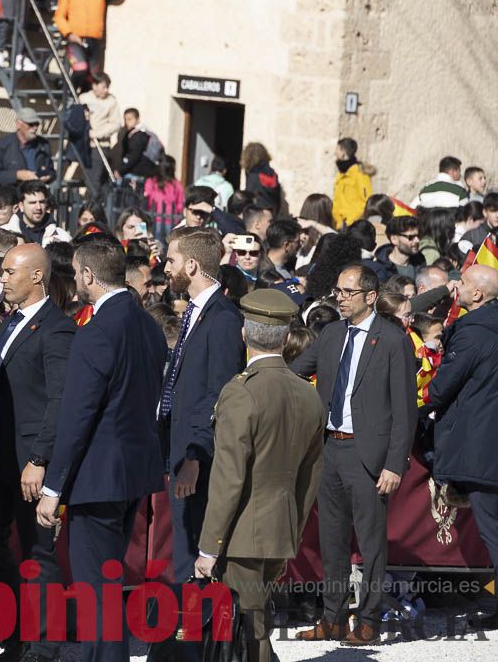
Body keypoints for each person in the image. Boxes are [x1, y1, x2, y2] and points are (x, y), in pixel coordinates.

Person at [35, 235, 167, 662]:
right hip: (132, 471)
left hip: (97, 476)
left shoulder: (95, 333)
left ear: (89, 276)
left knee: (97, 589)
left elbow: (77, 417)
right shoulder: (149, 325)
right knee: (106, 583)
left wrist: (53, 488)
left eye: (77, 273)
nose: (76, 280)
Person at [194, 289, 325, 662]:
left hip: (241, 535)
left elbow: (229, 478)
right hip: (279, 529)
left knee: (248, 632)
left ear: (244, 334)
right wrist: (293, 530)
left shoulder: (241, 392)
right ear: (286, 338)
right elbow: (310, 477)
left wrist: (209, 546)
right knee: (254, 622)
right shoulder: (308, 394)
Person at [291, 264, 416, 644]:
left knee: (371, 543)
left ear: (370, 296)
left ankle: (369, 620)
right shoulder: (331, 334)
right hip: (329, 448)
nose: (340, 298)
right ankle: (332, 617)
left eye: (348, 292)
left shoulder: (393, 340)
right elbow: (295, 372)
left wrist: (394, 464)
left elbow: (405, 409)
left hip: (369, 456)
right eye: (338, 291)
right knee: (332, 541)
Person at [0, 244, 74, 662]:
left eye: (10, 271)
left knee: (38, 551)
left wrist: (40, 459)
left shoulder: (58, 328)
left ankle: (45, 646)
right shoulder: (9, 322)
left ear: (36, 276)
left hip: (29, 461)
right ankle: (13, 631)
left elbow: (59, 399)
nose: (3, 278)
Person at [159, 227, 245, 582]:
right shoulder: (196, 310)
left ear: (192, 265)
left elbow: (219, 393)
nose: (166, 268)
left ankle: (197, 615)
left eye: (171, 261)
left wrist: (195, 455)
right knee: (184, 549)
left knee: (196, 554)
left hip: (200, 458)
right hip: (180, 446)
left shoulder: (223, 318)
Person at [422, 264, 498, 630]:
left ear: (478, 295)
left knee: (493, 531)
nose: (457, 285)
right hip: (489, 440)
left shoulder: (472, 334)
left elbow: (440, 389)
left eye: (464, 282)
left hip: (481, 448)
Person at [54, 0, 122, 89]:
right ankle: (69, 93)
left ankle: (82, 99)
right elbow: (59, 16)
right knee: (80, 68)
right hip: (75, 39)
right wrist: (69, 33)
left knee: (92, 77)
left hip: (95, 41)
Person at [0, 107, 55, 186]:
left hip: (35, 191)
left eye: (37, 124)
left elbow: (51, 172)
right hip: (11, 192)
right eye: (31, 124)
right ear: (18, 124)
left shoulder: (43, 144)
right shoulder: (3, 145)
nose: (35, 128)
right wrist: (17, 175)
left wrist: (48, 177)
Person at [2, 181, 69, 245]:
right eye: (33, 203)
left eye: (42, 202)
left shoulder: (62, 237)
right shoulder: (3, 235)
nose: (38, 207)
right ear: (21, 206)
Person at [332, 138, 373, 228]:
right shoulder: (341, 173)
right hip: (339, 225)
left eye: (337, 149)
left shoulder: (360, 174)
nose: (335, 152)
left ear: (343, 151)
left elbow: (366, 200)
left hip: (351, 225)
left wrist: (350, 221)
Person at [143, 154, 183, 239]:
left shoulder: (151, 181)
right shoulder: (176, 184)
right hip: (171, 220)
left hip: (155, 219)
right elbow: (180, 204)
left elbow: (146, 199)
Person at [117, 109, 158, 181]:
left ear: (137, 119)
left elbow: (134, 156)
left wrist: (121, 171)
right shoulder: (142, 132)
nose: (127, 122)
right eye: (125, 119)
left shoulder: (138, 136)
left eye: (130, 119)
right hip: (144, 171)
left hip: (138, 173)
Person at [241, 142, 282, 215]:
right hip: (272, 214)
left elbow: (249, 199)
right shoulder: (271, 173)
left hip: (258, 215)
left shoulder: (254, 176)